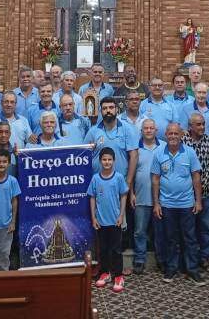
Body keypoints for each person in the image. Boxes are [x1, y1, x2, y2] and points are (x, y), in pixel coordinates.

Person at [151, 123, 206, 285]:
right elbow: (155, 180)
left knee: (190, 238)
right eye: (170, 133)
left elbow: (196, 177)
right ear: (166, 135)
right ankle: (171, 269)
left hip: (187, 204)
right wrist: (156, 203)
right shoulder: (158, 153)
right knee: (170, 238)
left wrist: (198, 201)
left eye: (176, 133)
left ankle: (193, 270)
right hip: (167, 204)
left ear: (181, 135)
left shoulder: (189, 153)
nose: (173, 136)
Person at [88, 147, 128, 293]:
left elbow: (124, 195)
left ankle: (118, 275)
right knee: (103, 250)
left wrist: (121, 215)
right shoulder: (95, 178)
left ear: (114, 161)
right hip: (101, 222)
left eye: (109, 159)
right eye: (104, 159)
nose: (107, 162)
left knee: (116, 250)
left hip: (115, 221)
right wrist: (93, 218)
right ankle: (105, 273)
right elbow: (92, 198)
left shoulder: (118, 178)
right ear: (100, 161)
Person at [183, 113, 209, 271]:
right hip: (186, 194)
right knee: (188, 229)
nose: (202, 127)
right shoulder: (183, 141)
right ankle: (189, 260)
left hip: (206, 192)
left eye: (203, 124)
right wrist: (191, 186)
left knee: (206, 228)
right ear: (190, 126)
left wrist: (202, 183)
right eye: (198, 124)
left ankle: (205, 258)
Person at [131, 119, 163, 274]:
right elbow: (129, 173)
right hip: (141, 197)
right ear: (141, 131)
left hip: (161, 199)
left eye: (151, 128)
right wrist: (131, 193)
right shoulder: (135, 148)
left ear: (156, 130)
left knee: (160, 231)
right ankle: (139, 259)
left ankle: (161, 259)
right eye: (146, 128)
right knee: (139, 231)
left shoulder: (164, 147)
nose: (149, 130)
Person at [85, 98, 137, 191]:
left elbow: (134, 156)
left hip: (121, 184)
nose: (108, 110)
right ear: (101, 111)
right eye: (104, 108)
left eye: (111, 107)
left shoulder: (127, 129)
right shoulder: (93, 131)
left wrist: (128, 182)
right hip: (99, 185)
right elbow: (84, 156)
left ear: (117, 109)